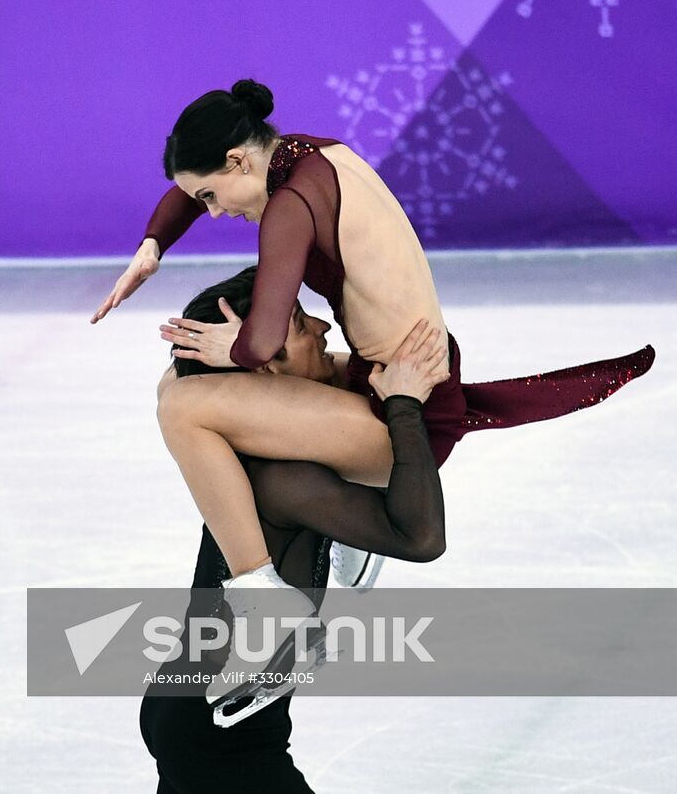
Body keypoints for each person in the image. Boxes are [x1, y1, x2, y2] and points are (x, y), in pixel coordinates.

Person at [89, 79, 654, 674]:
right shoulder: (312, 155)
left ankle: (263, 597)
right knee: (178, 391)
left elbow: (259, 346)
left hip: (403, 408)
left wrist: (236, 349)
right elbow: (189, 189)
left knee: (183, 407)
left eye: (211, 195)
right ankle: (339, 538)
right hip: (392, 377)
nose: (215, 212)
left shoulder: (291, 208)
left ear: (238, 160)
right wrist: (154, 244)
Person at [142, 268, 450, 793]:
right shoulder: (283, 479)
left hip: (206, 710)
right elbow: (421, 539)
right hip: (220, 731)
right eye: (301, 325)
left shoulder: (250, 449)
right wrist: (402, 407)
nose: (323, 329)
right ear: (265, 377)